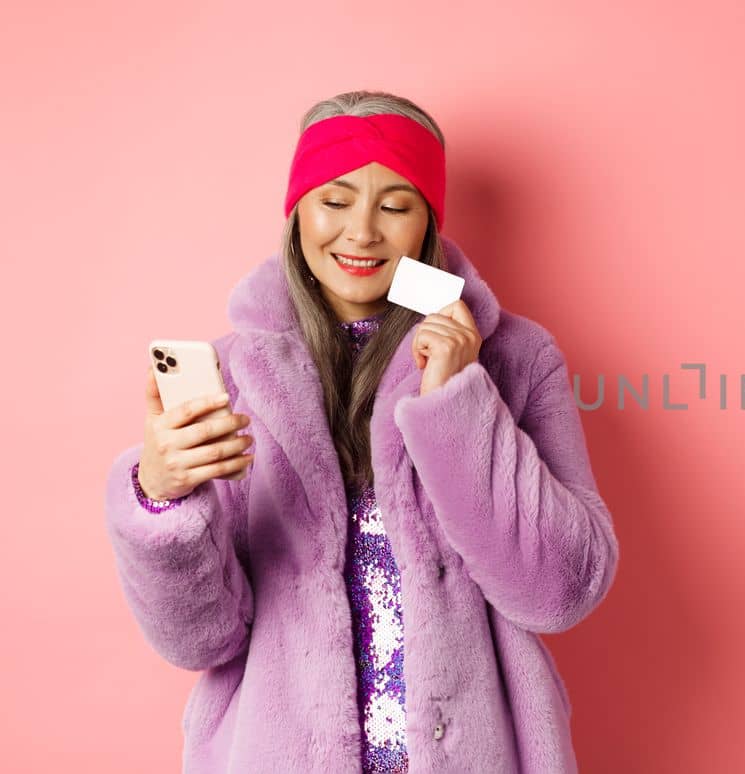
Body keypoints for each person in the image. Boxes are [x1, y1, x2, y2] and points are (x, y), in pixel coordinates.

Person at [102, 90, 619, 773]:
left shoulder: (517, 360)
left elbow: (560, 591)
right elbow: (198, 641)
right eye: (335, 200)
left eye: (396, 205)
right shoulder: (232, 373)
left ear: (428, 226)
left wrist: (460, 401)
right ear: (297, 213)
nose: (362, 232)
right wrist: (162, 500)